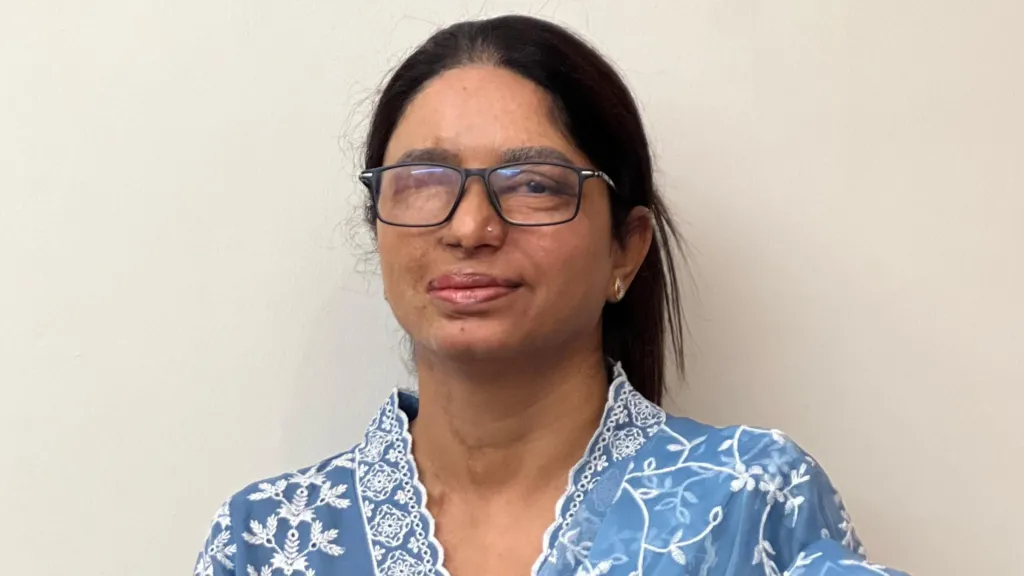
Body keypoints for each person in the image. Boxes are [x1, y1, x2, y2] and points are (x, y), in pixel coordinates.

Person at [194, 15, 908, 576]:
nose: (470, 227)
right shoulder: (266, 538)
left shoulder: (748, 502)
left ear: (625, 248)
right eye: (423, 183)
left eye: (532, 184)